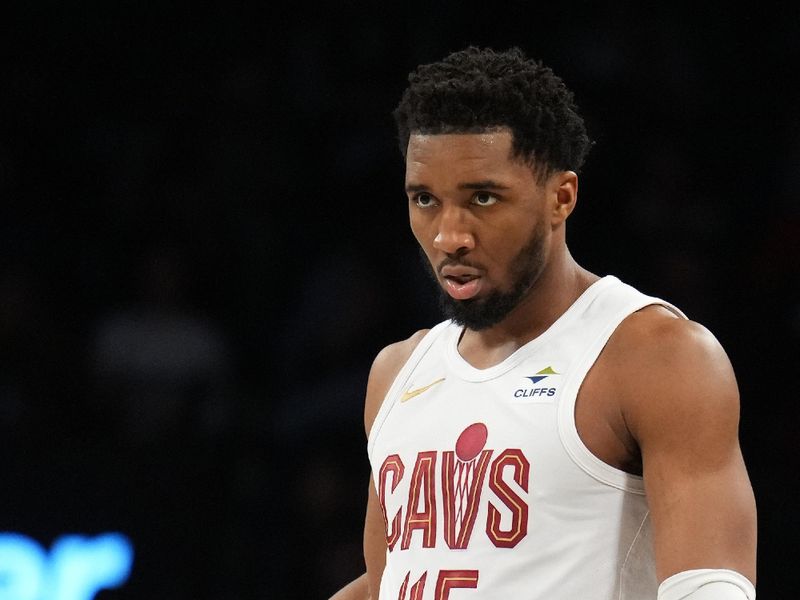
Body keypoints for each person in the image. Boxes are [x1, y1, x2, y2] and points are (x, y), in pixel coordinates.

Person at [331, 46, 756, 600]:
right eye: (425, 200)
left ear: (561, 197)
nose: (447, 236)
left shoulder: (657, 354)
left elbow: (710, 587)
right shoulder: (397, 372)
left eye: (482, 198)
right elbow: (391, 582)